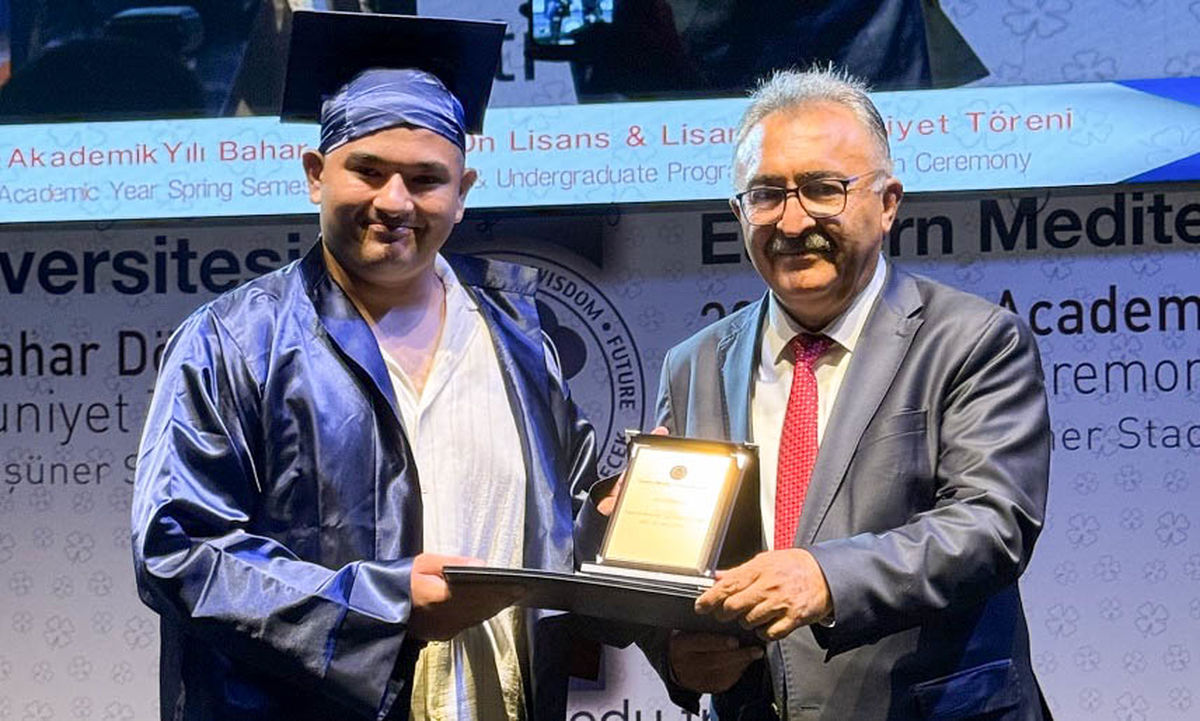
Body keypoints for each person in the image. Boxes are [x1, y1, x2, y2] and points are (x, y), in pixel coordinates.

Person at [131, 11, 596, 721]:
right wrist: (382, 606)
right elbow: (179, 547)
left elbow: (572, 510)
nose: (395, 202)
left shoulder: (517, 334)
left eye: (426, 179)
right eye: (368, 171)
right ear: (316, 175)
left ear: (463, 191)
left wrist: (631, 509)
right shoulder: (232, 342)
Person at [643, 67, 1052, 720]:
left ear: (887, 204)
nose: (792, 219)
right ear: (739, 214)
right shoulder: (692, 364)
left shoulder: (974, 340)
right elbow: (676, 568)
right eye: (766, 195)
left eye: (822, 189)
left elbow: (990, 525)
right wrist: (677, 655)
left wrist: (826, 576)